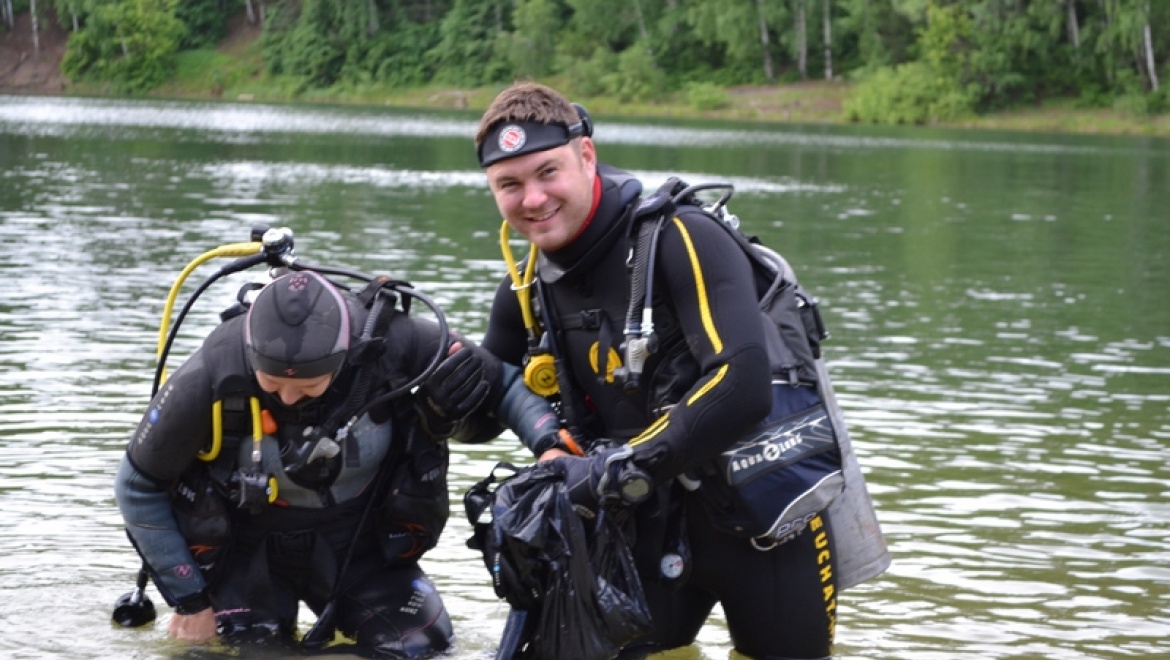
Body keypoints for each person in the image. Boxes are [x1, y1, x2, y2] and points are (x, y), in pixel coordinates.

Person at [472, 81, 887, 659]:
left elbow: (742, 386)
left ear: (586, 155)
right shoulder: (526, 288)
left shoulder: (682, 238)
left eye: (548, 173)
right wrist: (435, 377)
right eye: (510, 185)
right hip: (634, 532)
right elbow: (480, 417)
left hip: (764, 525)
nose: (533, 199)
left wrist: (613, 469)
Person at [115, 268, 559, 658]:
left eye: (307, 387)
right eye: (272, 384)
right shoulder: (213, 369)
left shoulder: (396, 342)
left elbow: (502, 384)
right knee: (236, 653)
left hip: (359, 543)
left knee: (423, 646)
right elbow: (137, 485)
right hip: (244, 549)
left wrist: (548, 444)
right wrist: (190, 601)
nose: (288, 398)